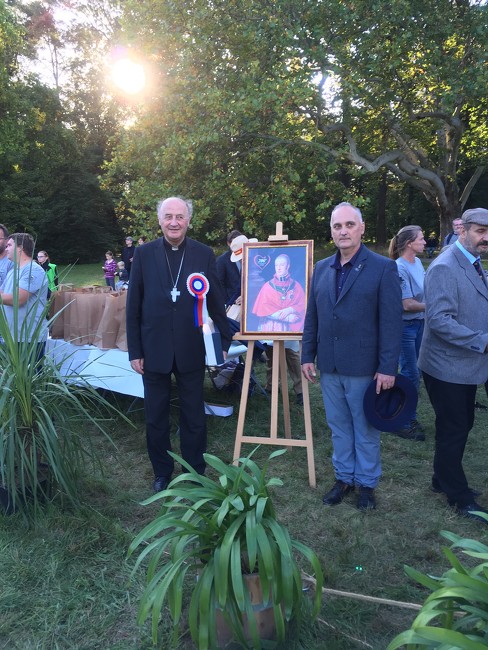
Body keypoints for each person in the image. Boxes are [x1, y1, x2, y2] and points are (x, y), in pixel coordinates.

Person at [126, 196, 231, 492]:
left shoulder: (203, 253)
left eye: (180, 217)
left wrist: (223, 339)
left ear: (189, 221)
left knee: (193, 414)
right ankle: (162, 471)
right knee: (155, 416)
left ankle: (194, 470)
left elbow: (215, 299)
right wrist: (135, 350)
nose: (174, 222)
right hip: (153, 348)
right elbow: (133, 304)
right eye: (168, 216)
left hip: (190, 347)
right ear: (160, 220)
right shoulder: (143, 253)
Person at [301, 202, 402, 511]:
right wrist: (307, 354)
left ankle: (367, 484)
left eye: (349, 225)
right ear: (331, 231)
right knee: (339, 426)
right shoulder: (321, 268)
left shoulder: (383, 268)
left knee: (365, 428)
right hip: (329, 365)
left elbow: (391, 322)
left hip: (364, 367)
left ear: (361, 228)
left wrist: (388, 367)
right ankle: (344, 478)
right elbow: (312, 316)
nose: (343, 231)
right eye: (337, 226)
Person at [418, 207, 488, 524]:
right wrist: (482, 341)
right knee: (455, 429)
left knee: (459, 425)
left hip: (465, 364)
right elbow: (439, 321)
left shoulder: (473, 260)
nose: (485, 238)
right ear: (463, 230)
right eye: (480, 231)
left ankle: (440, 478)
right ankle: (458, 496)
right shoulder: (445, 266)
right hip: (446, 366)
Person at [388, 226, 426, 440]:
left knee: (416, 372)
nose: (425, 242)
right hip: (405, 328)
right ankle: (402, 421)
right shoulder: (399, 267)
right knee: (410, 373)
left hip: (420, 324)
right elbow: (407, 304)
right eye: (421, 239)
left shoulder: (417, 262)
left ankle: (407, 415)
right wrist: (434, 306)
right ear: (410, 243)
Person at [0, 233, 48, 358]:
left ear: (20, 248)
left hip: (29, 338)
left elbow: (17, 299)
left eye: (9, 245)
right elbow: (2, 293)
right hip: (12, 336)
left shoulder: (33, 270)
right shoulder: (13, 271)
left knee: (29, 371)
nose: (6, 248)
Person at [252, 254, 306, 332]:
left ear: (288, 266)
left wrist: (290, 310)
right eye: (276, 265)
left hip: (291, 329)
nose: (279, 268)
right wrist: (287, 318)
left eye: (282, 265)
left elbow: (303, 305)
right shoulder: (267, 286)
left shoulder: (296, 286)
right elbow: (263, 309)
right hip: (271, 327)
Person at [216, 230, 243, 306]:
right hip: (230, 302)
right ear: (228, 243)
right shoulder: (222, 260)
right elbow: (219, 283)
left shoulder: (250, 256)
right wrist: (228, 302)